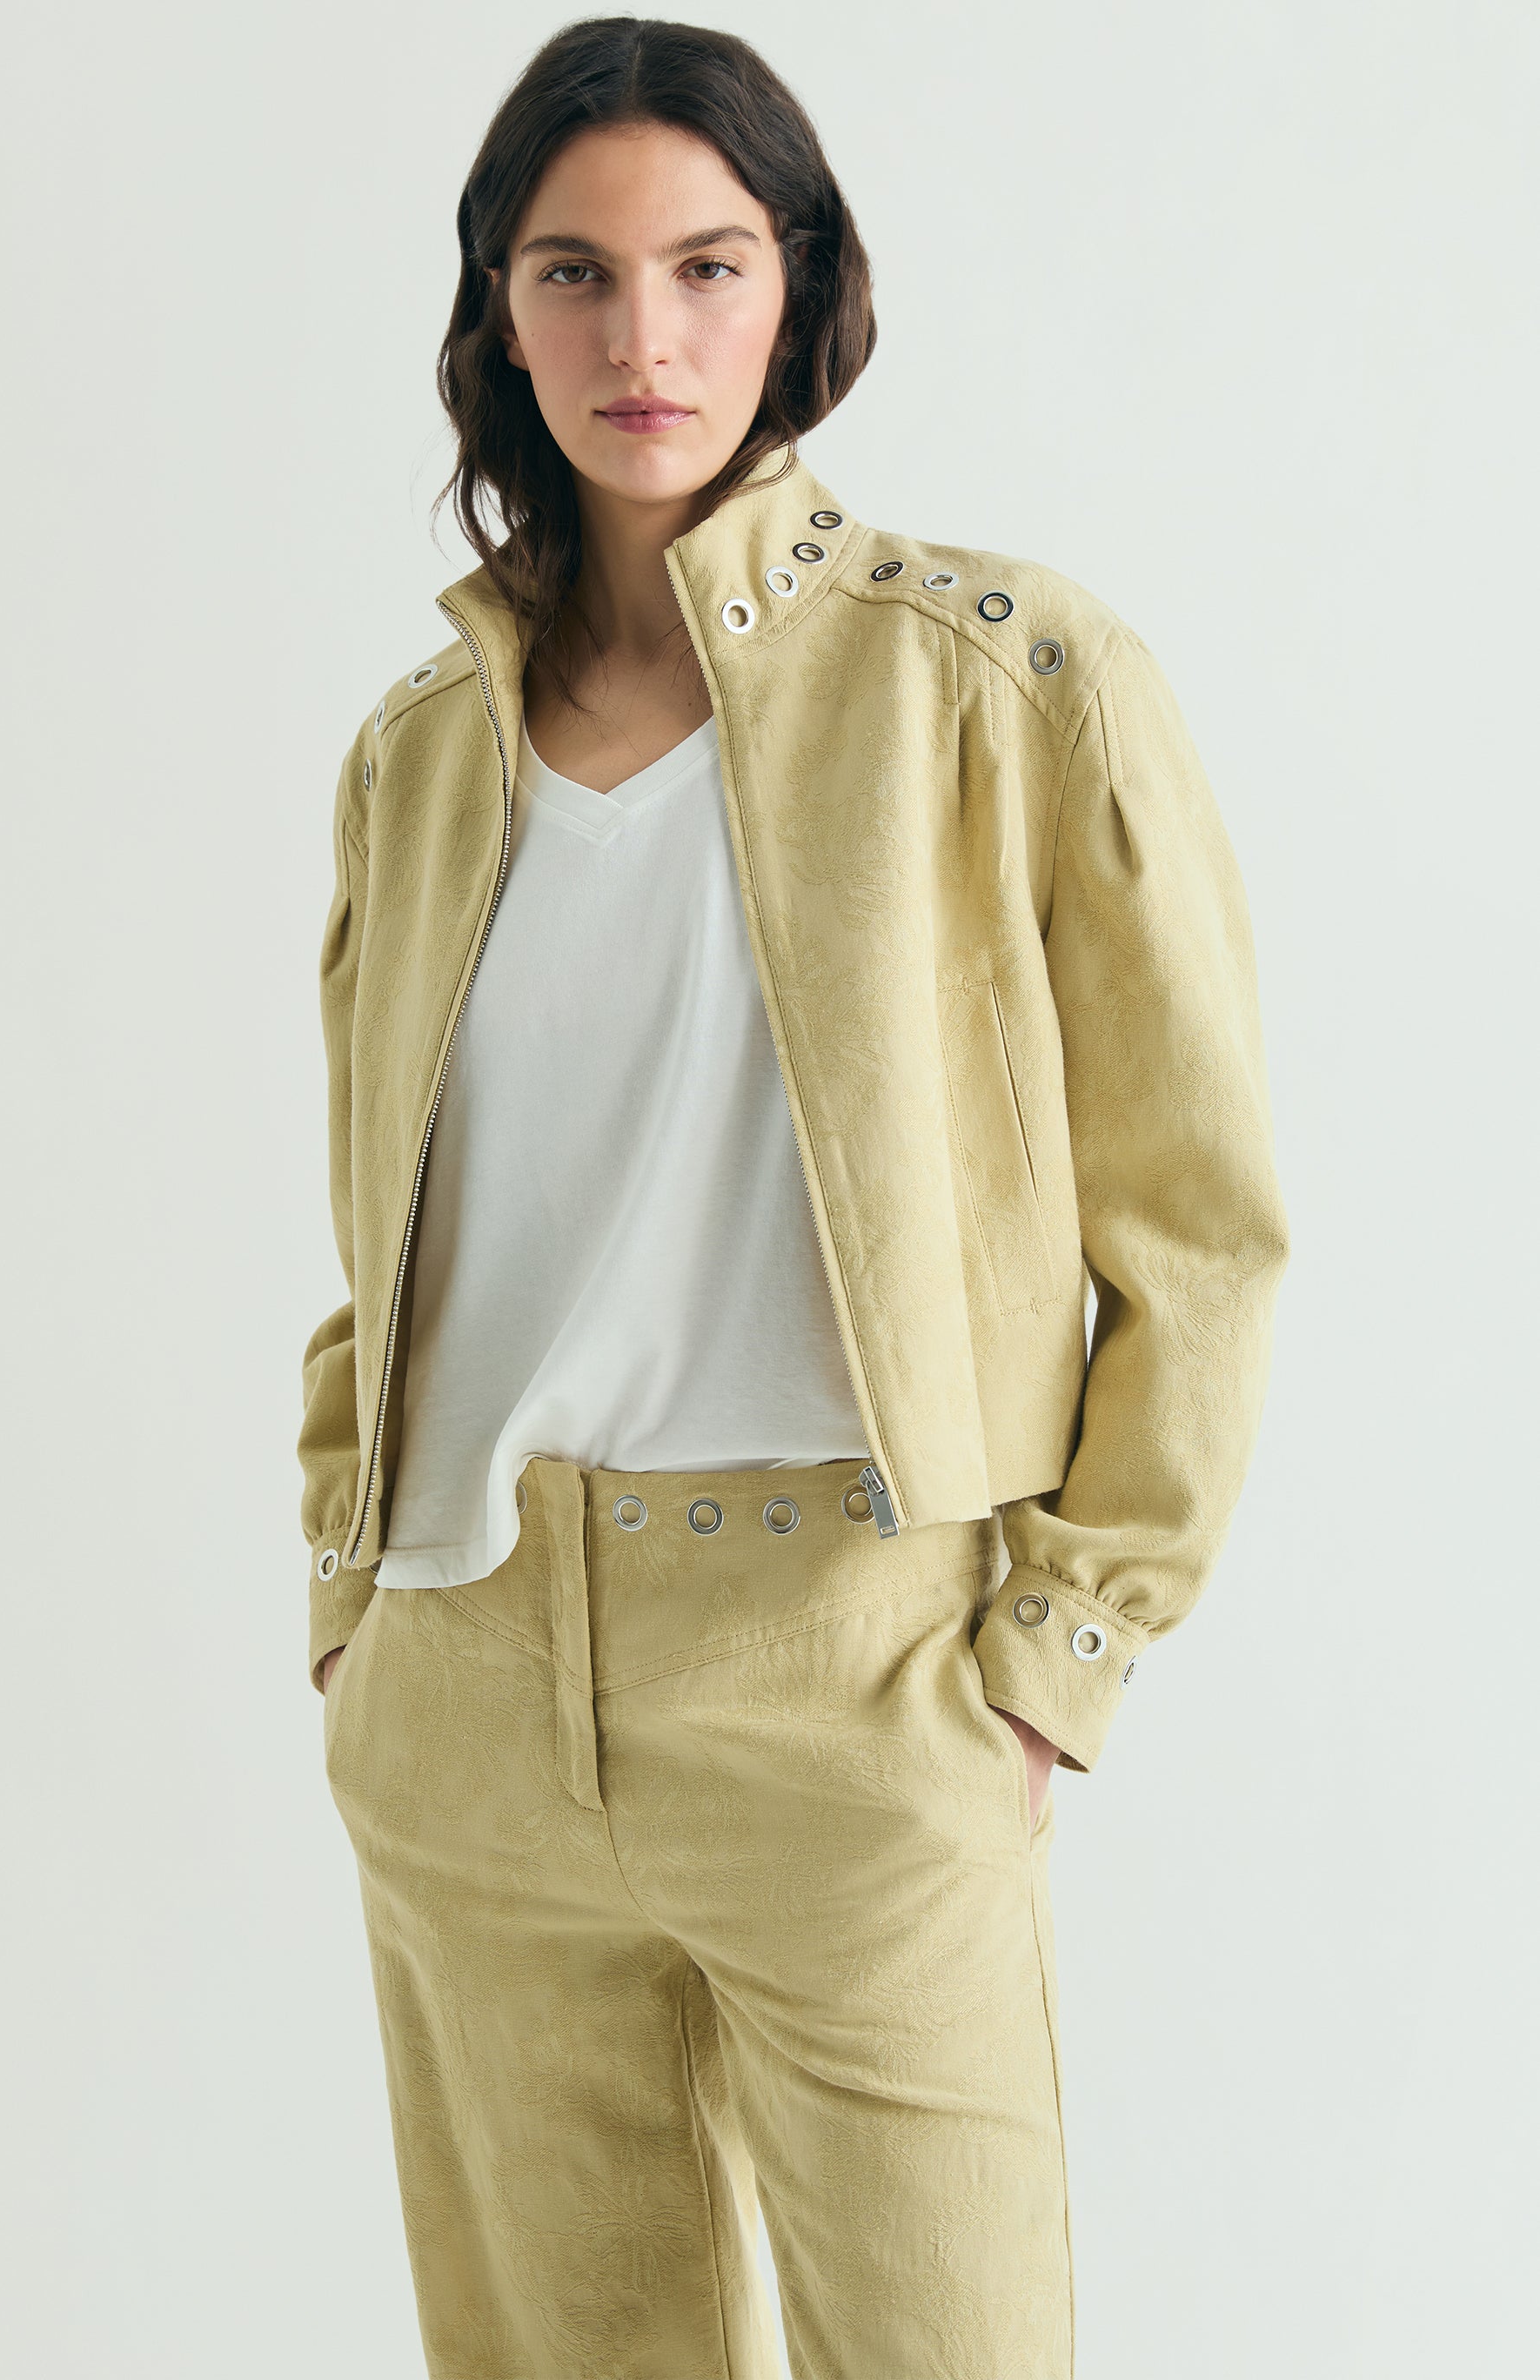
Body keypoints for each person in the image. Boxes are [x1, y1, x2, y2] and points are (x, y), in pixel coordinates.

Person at [298, 18, 1289, 2378]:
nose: (639, 337)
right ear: (497, 308)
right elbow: (381, 1243)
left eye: (706, 265)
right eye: (573, 271)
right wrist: (349, 1600)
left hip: (863, 1682)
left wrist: (1057, 1656)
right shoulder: (419, 757)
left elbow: (1199, 1226)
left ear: (801, 286)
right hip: (465, 1693)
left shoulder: (1004, 681)